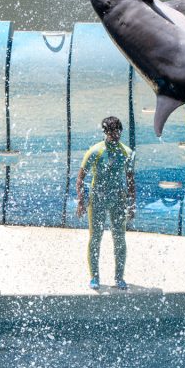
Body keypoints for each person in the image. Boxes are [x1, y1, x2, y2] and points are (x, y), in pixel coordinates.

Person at [76, 116, 136, 290]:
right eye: (111, 132)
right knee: (95, 238)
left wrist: (132, 204)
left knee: (120, 238)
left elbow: (131, 181)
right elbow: (80, 179)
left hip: (118, 199)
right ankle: (94, 277)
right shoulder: (95, 151)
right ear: (105, 132)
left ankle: (119, 277)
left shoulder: (128, 152)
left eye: (117, 132)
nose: (114, 135)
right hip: (98, 200)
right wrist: (81, 200)